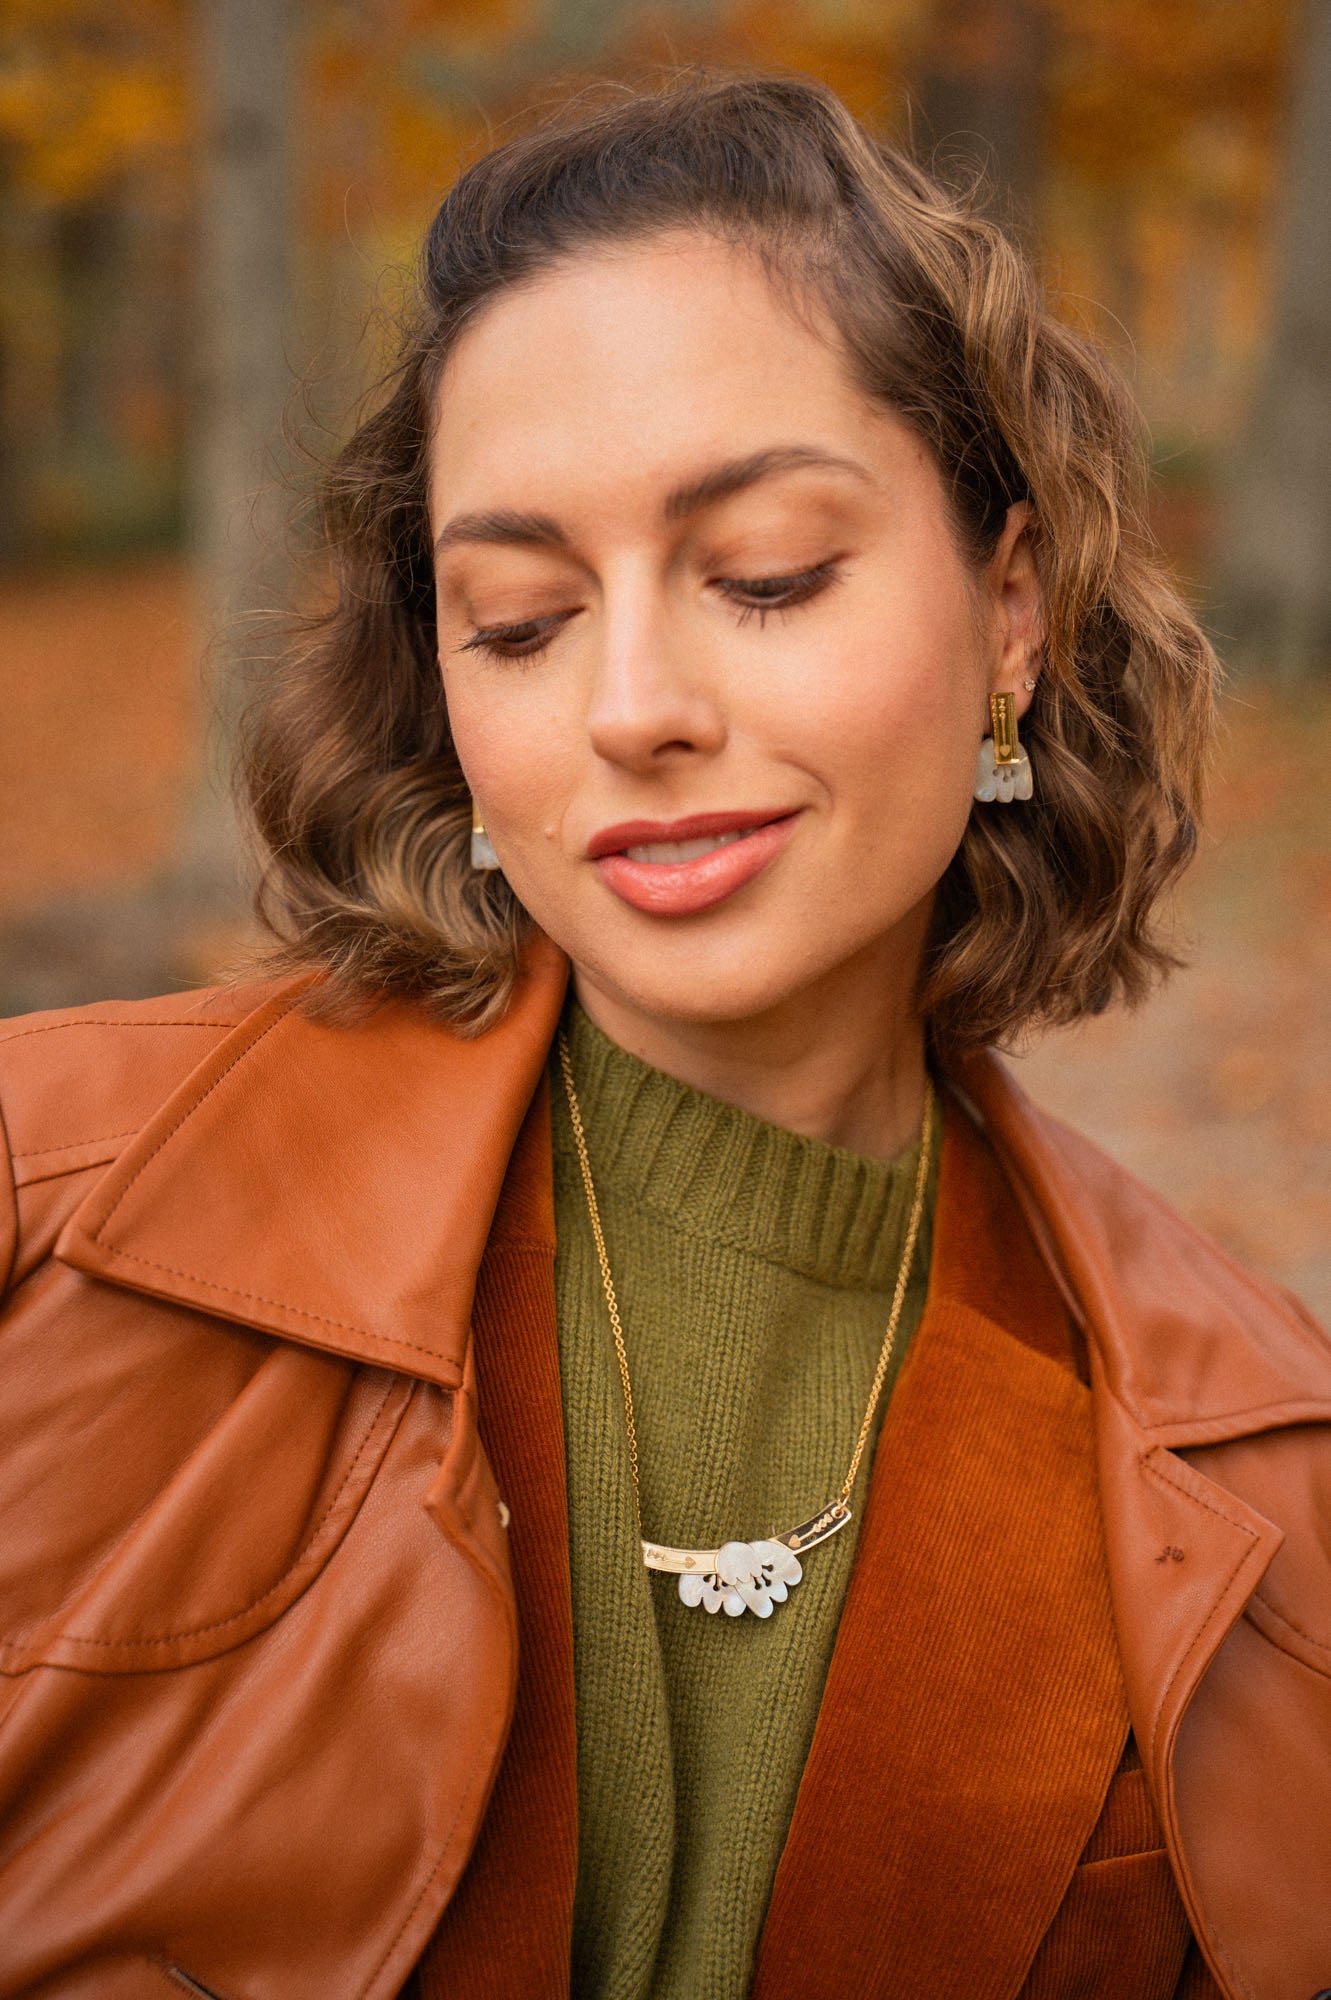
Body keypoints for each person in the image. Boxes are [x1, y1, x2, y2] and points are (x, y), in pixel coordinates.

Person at [0, 71, 1327, 2000]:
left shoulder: (1257, 1486)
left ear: (1012, 609)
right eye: (520, 618)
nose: (632, 706)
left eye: (767, 577)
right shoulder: (49, 1217)